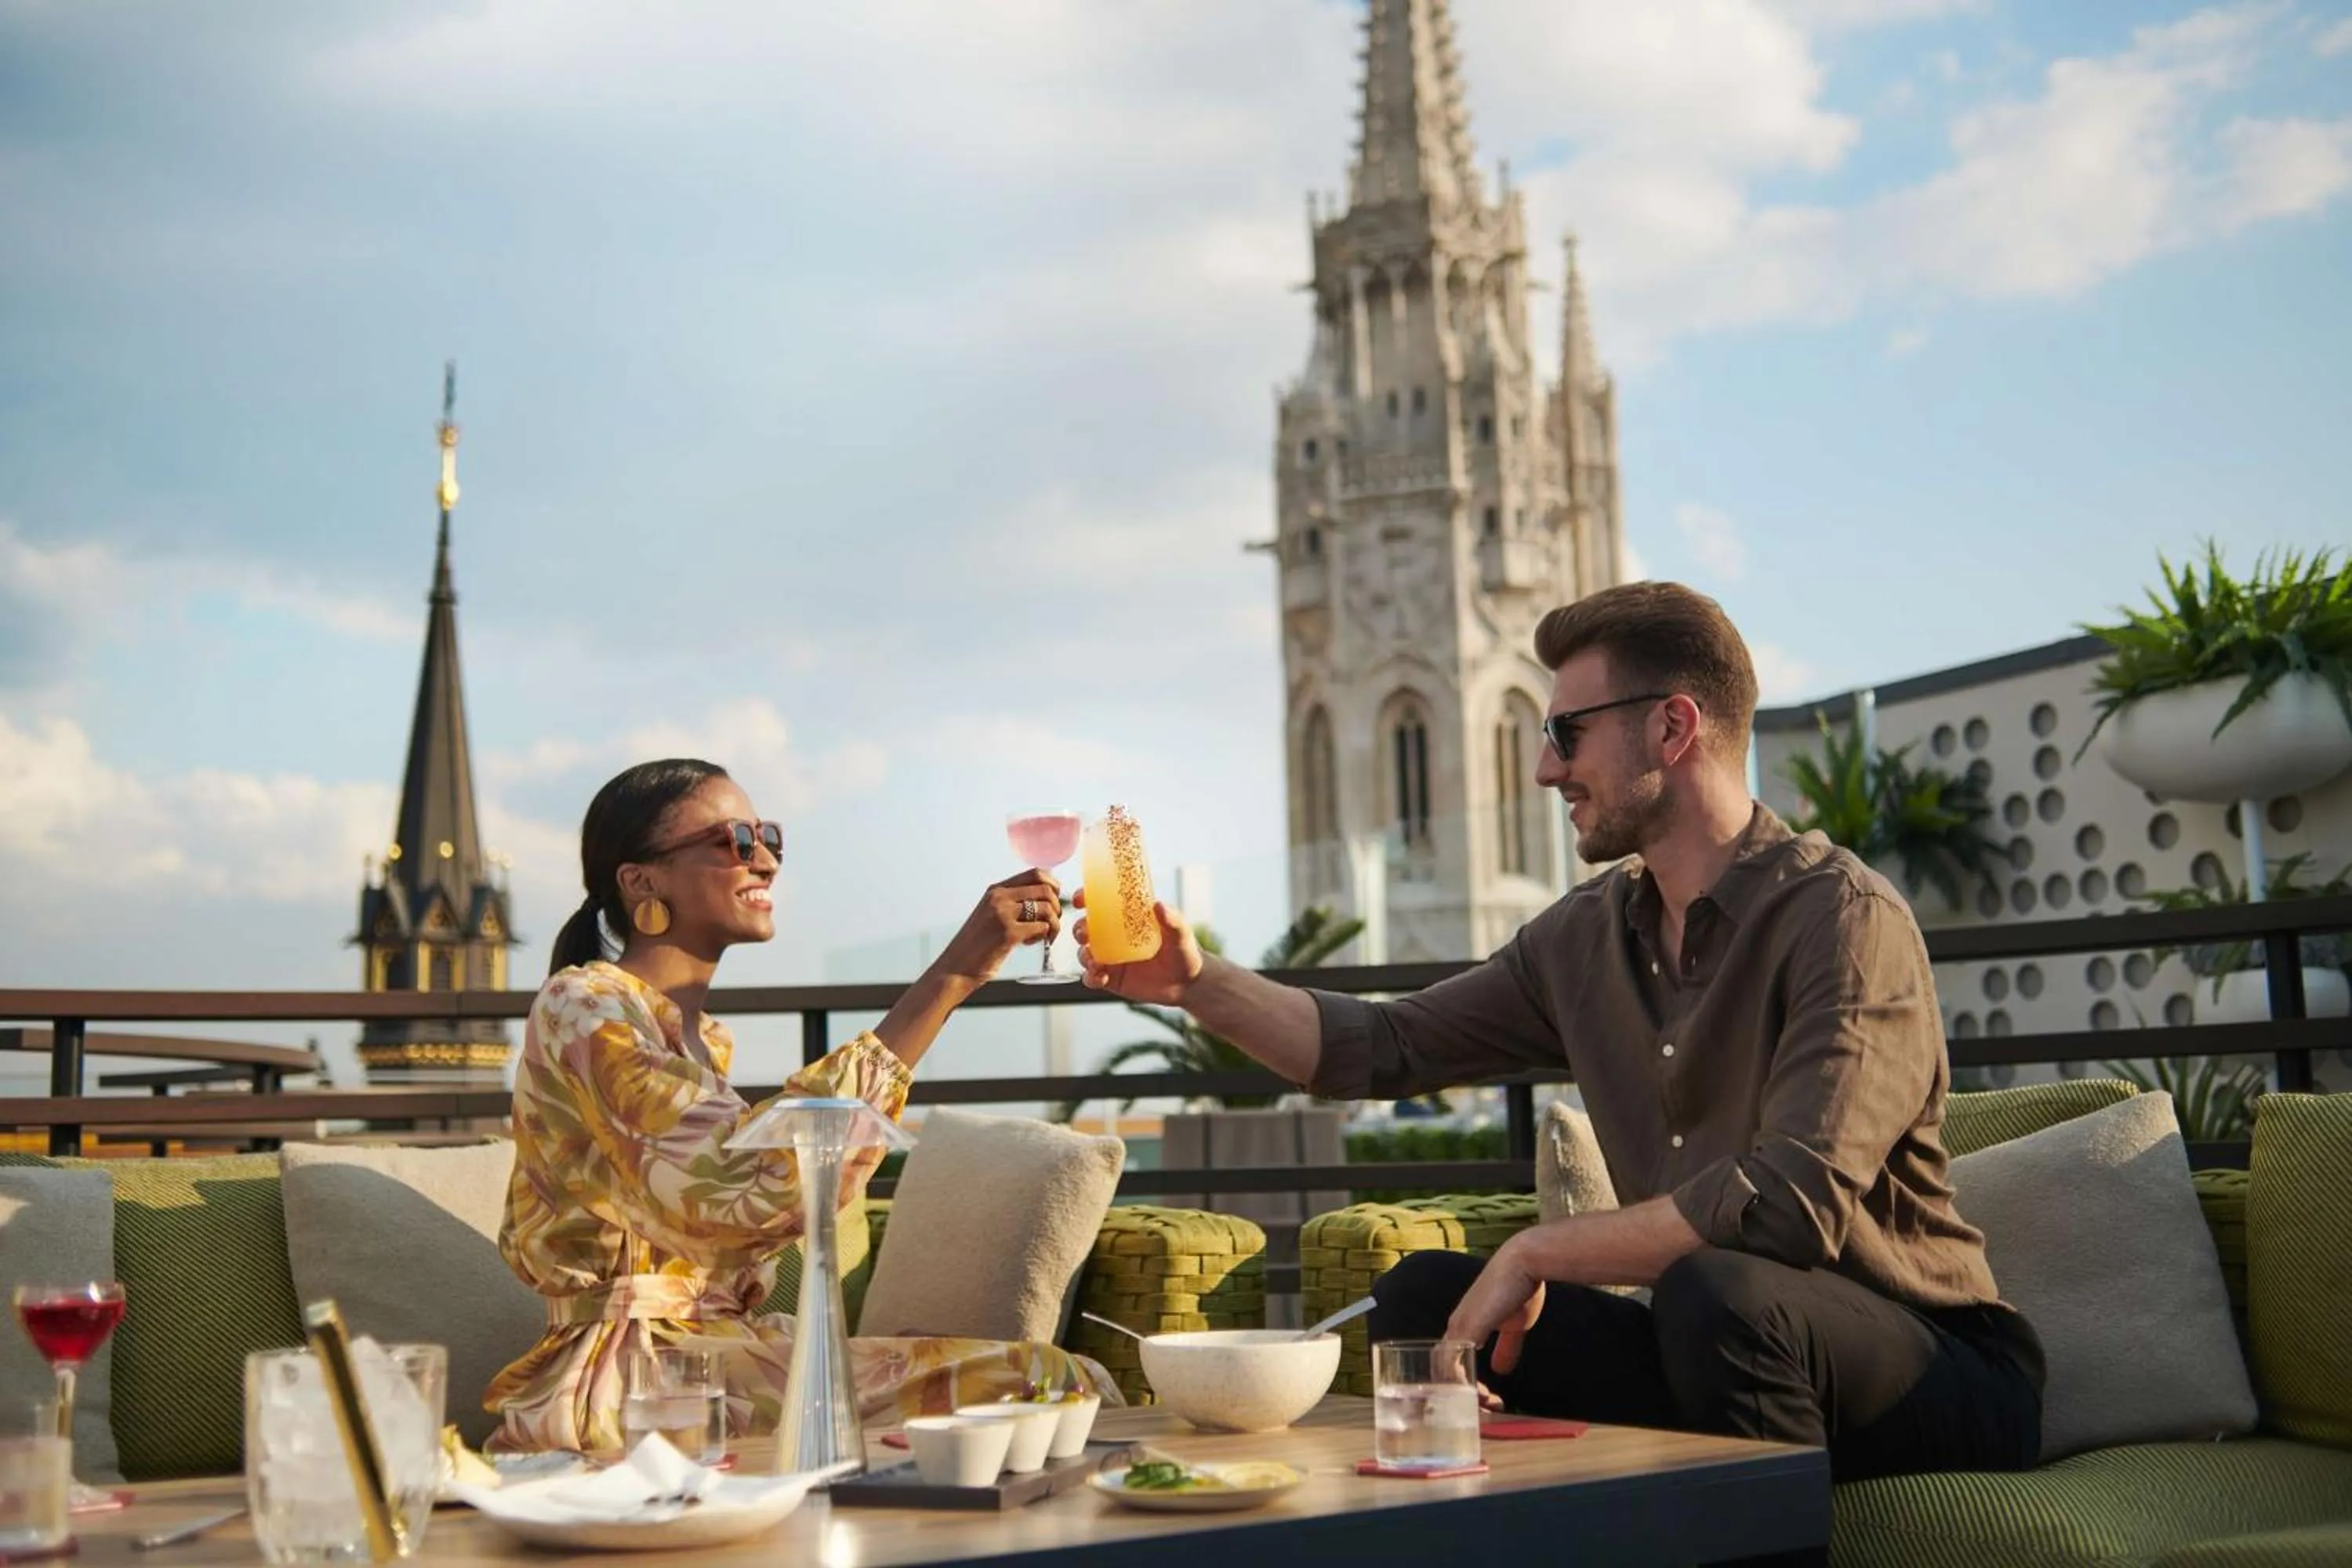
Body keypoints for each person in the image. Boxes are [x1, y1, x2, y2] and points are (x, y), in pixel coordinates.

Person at [1074, 582, 2043, 1490]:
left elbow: (1787, 1206)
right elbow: (1378, 1046)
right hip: (1712, 1342)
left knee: (1720, 1293)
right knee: (1424, 1299)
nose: (1545, 768)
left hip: (1933, 1373)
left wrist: (1541, 1249)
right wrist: (1195, 981)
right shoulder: (1584, 936)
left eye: (1566, 733)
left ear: (1672, 728)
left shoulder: (1842, 918)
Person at [487, 757, 1117, 1455]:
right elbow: (738, 1194)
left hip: (723, 1360)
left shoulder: (700, 1043)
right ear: (641, 879)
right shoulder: (583, 1008)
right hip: (634, 1386)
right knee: (1046, 1385)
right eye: (735, 842)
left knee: (1052, 1387)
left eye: (771, 839)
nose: (765, 863)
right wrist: (954, 975)